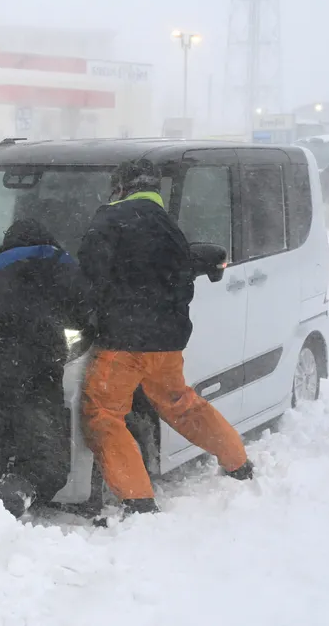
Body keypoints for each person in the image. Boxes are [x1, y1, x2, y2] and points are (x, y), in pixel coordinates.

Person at [75, 159, 254, 516]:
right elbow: (181, 272)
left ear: (120, 187)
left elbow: (87, 279)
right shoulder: (169, 227)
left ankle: (138, 498)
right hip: (167, 343)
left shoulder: (108, 221)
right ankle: (238, 462)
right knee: (180, 404)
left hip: (124, 343)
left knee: (103, 412)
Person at [0, 218, 91, 518]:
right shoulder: (54, 257)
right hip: (33, 362)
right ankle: (11, 496)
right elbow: (84, 309)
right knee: (47, 460)